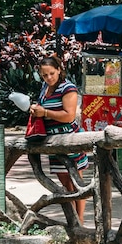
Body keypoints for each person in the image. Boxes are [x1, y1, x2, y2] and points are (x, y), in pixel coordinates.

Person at [29, 55, 88, 224]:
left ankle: (80, 220)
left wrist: (45, 113)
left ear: (59, 70)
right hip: (52, 141)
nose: (49, 78)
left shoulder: (68, 88)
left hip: (69, 139)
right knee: (65, 183)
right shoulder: (44, 88)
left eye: (52, 73)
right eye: (45, 75)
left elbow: (69, 116)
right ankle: (73, 220)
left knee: (77, 182)